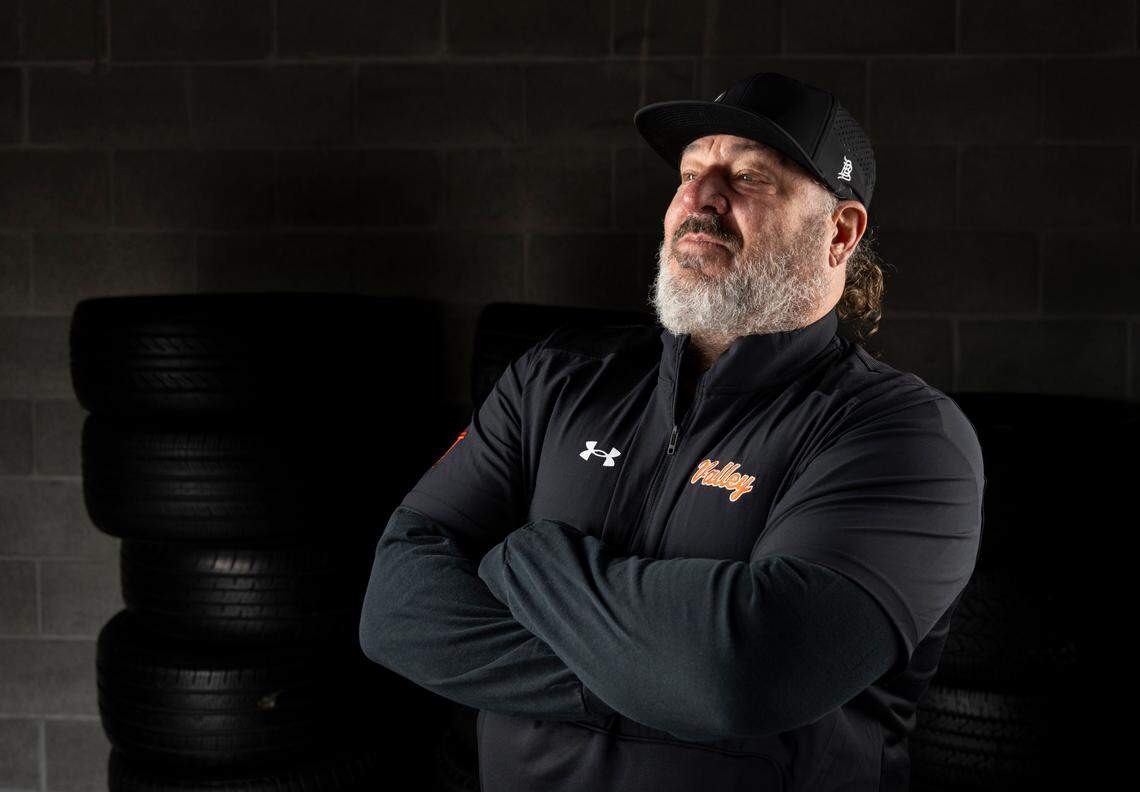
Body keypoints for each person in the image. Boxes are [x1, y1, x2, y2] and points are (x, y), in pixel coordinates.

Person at [358, 72, 985, 791]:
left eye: (747, 177)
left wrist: (524, 558)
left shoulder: (902, 439)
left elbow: (741, 678)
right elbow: (396, 610)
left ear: (840, 232)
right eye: (690, 173)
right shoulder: (557, 380)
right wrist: (653, 681)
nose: (698, 199)